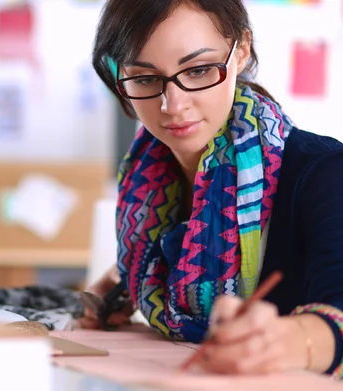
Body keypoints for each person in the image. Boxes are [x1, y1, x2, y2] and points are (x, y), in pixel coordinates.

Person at [80, 0, 343, 378]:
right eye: (145, 79)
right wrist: (123, 284)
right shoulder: (146, 179)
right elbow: (183, 251)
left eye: (199, 70)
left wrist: (290, 340)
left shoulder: (324, 174)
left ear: (242, 51)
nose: (173, 104)